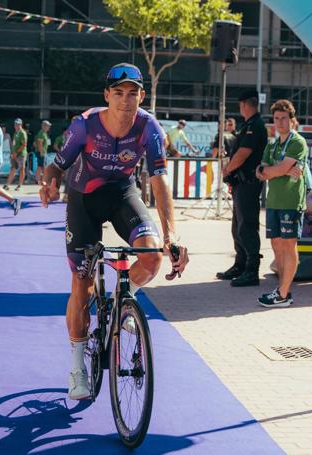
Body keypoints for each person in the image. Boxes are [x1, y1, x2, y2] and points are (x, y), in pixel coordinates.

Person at [39, 63, 189, 400]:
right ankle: (77, 366)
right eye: (118, 93)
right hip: (84, 200)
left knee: (151, 258)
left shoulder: (149, 127)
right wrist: (49, 182)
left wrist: (171, 236)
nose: (126, 100)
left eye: (132, 93)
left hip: (123, 194)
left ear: (142, 95)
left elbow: (160, 179)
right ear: (107, 95)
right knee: (82, 282)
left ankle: (124, 299)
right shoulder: (85, 125)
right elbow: (57, 165)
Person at [255, 99, 309, 308]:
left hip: (291, 202)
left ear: (292, 120)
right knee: (276, 245)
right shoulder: (273, 143)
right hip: (274, 202)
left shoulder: (297, 142)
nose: (280, 122)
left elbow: (272, 170)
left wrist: (274, 170)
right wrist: (277, 170)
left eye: (284, 118)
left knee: (289, 245)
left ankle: (284, 294)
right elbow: (260, 171)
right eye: (276, 119)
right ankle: (281, 290)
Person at [217, 89, 268, 287]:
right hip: (240, 182)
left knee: (247, 226)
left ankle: (251, 270)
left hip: (249, 183)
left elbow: (243, 153)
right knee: (238, 226)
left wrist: (227, 170)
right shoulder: (249, 124)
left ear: (244, 105)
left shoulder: (255, 125)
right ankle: (240, 264)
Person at [4, 118, 27, 191]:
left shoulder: (23, 133)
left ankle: (20, 185)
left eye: (18, 124)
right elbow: (14, 145)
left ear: (21, 125)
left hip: (21, 155)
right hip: (14, 154)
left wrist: (16, 153)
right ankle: (7, 184)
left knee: (21, 169)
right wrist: (12, 153)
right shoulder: (15, 133)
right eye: (16, 124)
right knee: (12, 168)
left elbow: (24, 145)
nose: (17, 125)